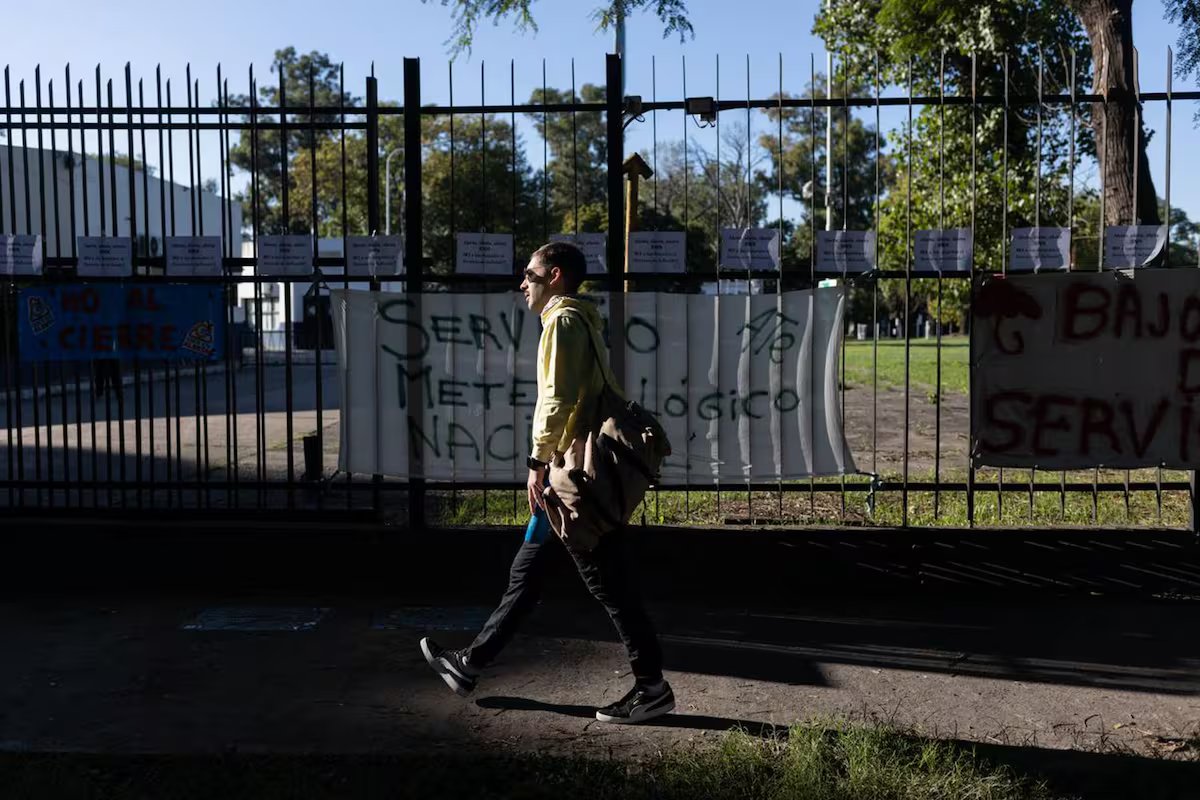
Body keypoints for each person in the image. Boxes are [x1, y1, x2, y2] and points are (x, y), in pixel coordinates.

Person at [420, 241, 674, 725]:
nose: (522, 284)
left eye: (530, 276)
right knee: (531, 570)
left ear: (554, 276)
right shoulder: (580, 318)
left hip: (573, 476)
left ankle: (652, 689)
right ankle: (469, 664)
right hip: (575, 474)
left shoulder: (561, 321)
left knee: (608, 585)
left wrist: (536, 462)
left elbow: (556, 400)